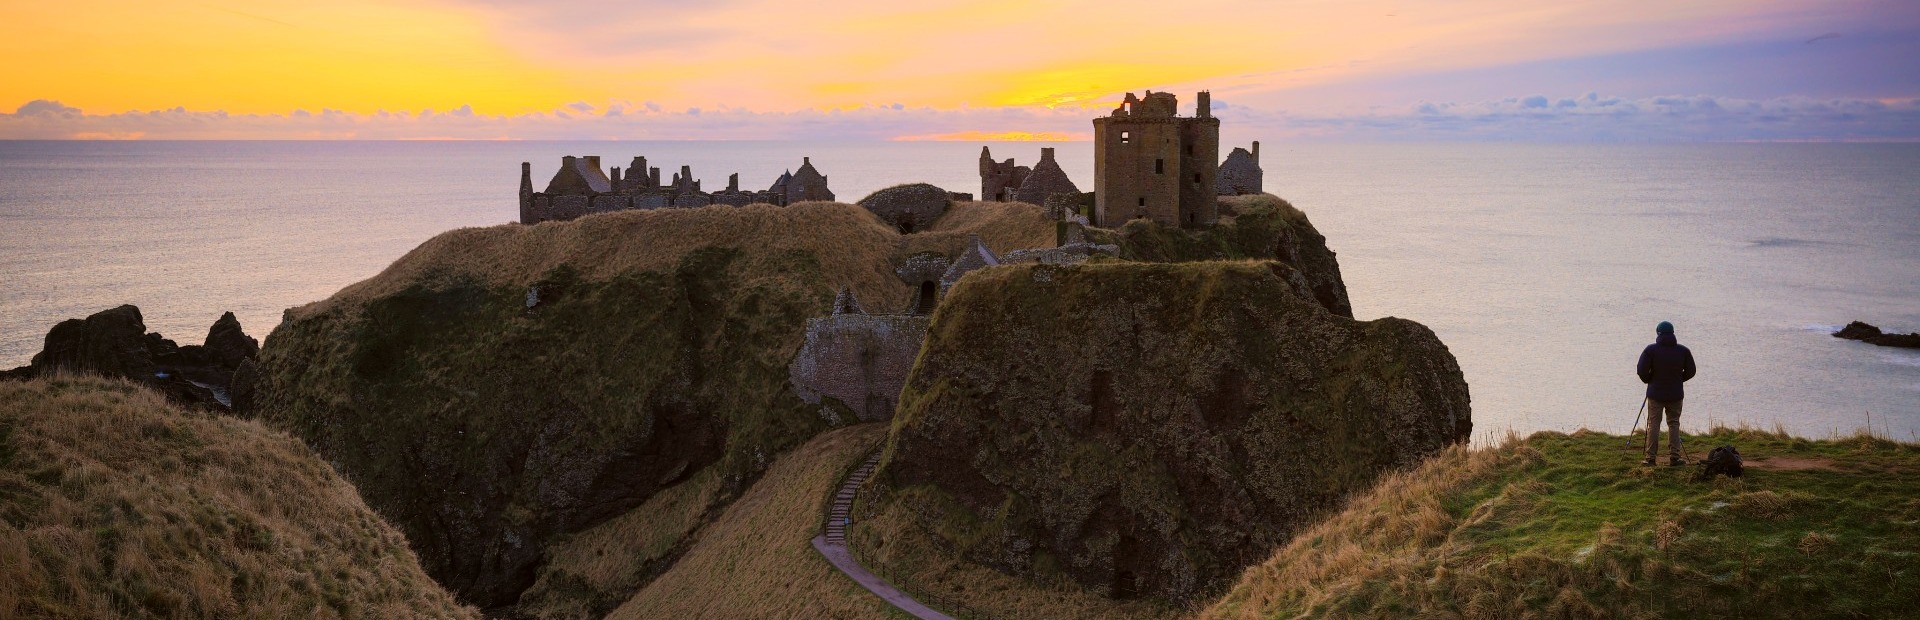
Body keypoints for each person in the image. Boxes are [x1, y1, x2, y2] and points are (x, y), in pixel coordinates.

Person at [1636, 321, 1697, 466]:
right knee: (1674, 423)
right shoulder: (1683, 351)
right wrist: (1679, 379)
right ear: (1673, 333)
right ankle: (1675, 457)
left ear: (1658, 334)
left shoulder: (1650, 350)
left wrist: (1649, 380)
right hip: (1675, 394)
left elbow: (1641, 370)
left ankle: (1650, 458)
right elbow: (1692, 371)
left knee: (1654, 424)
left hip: (1655, 394)